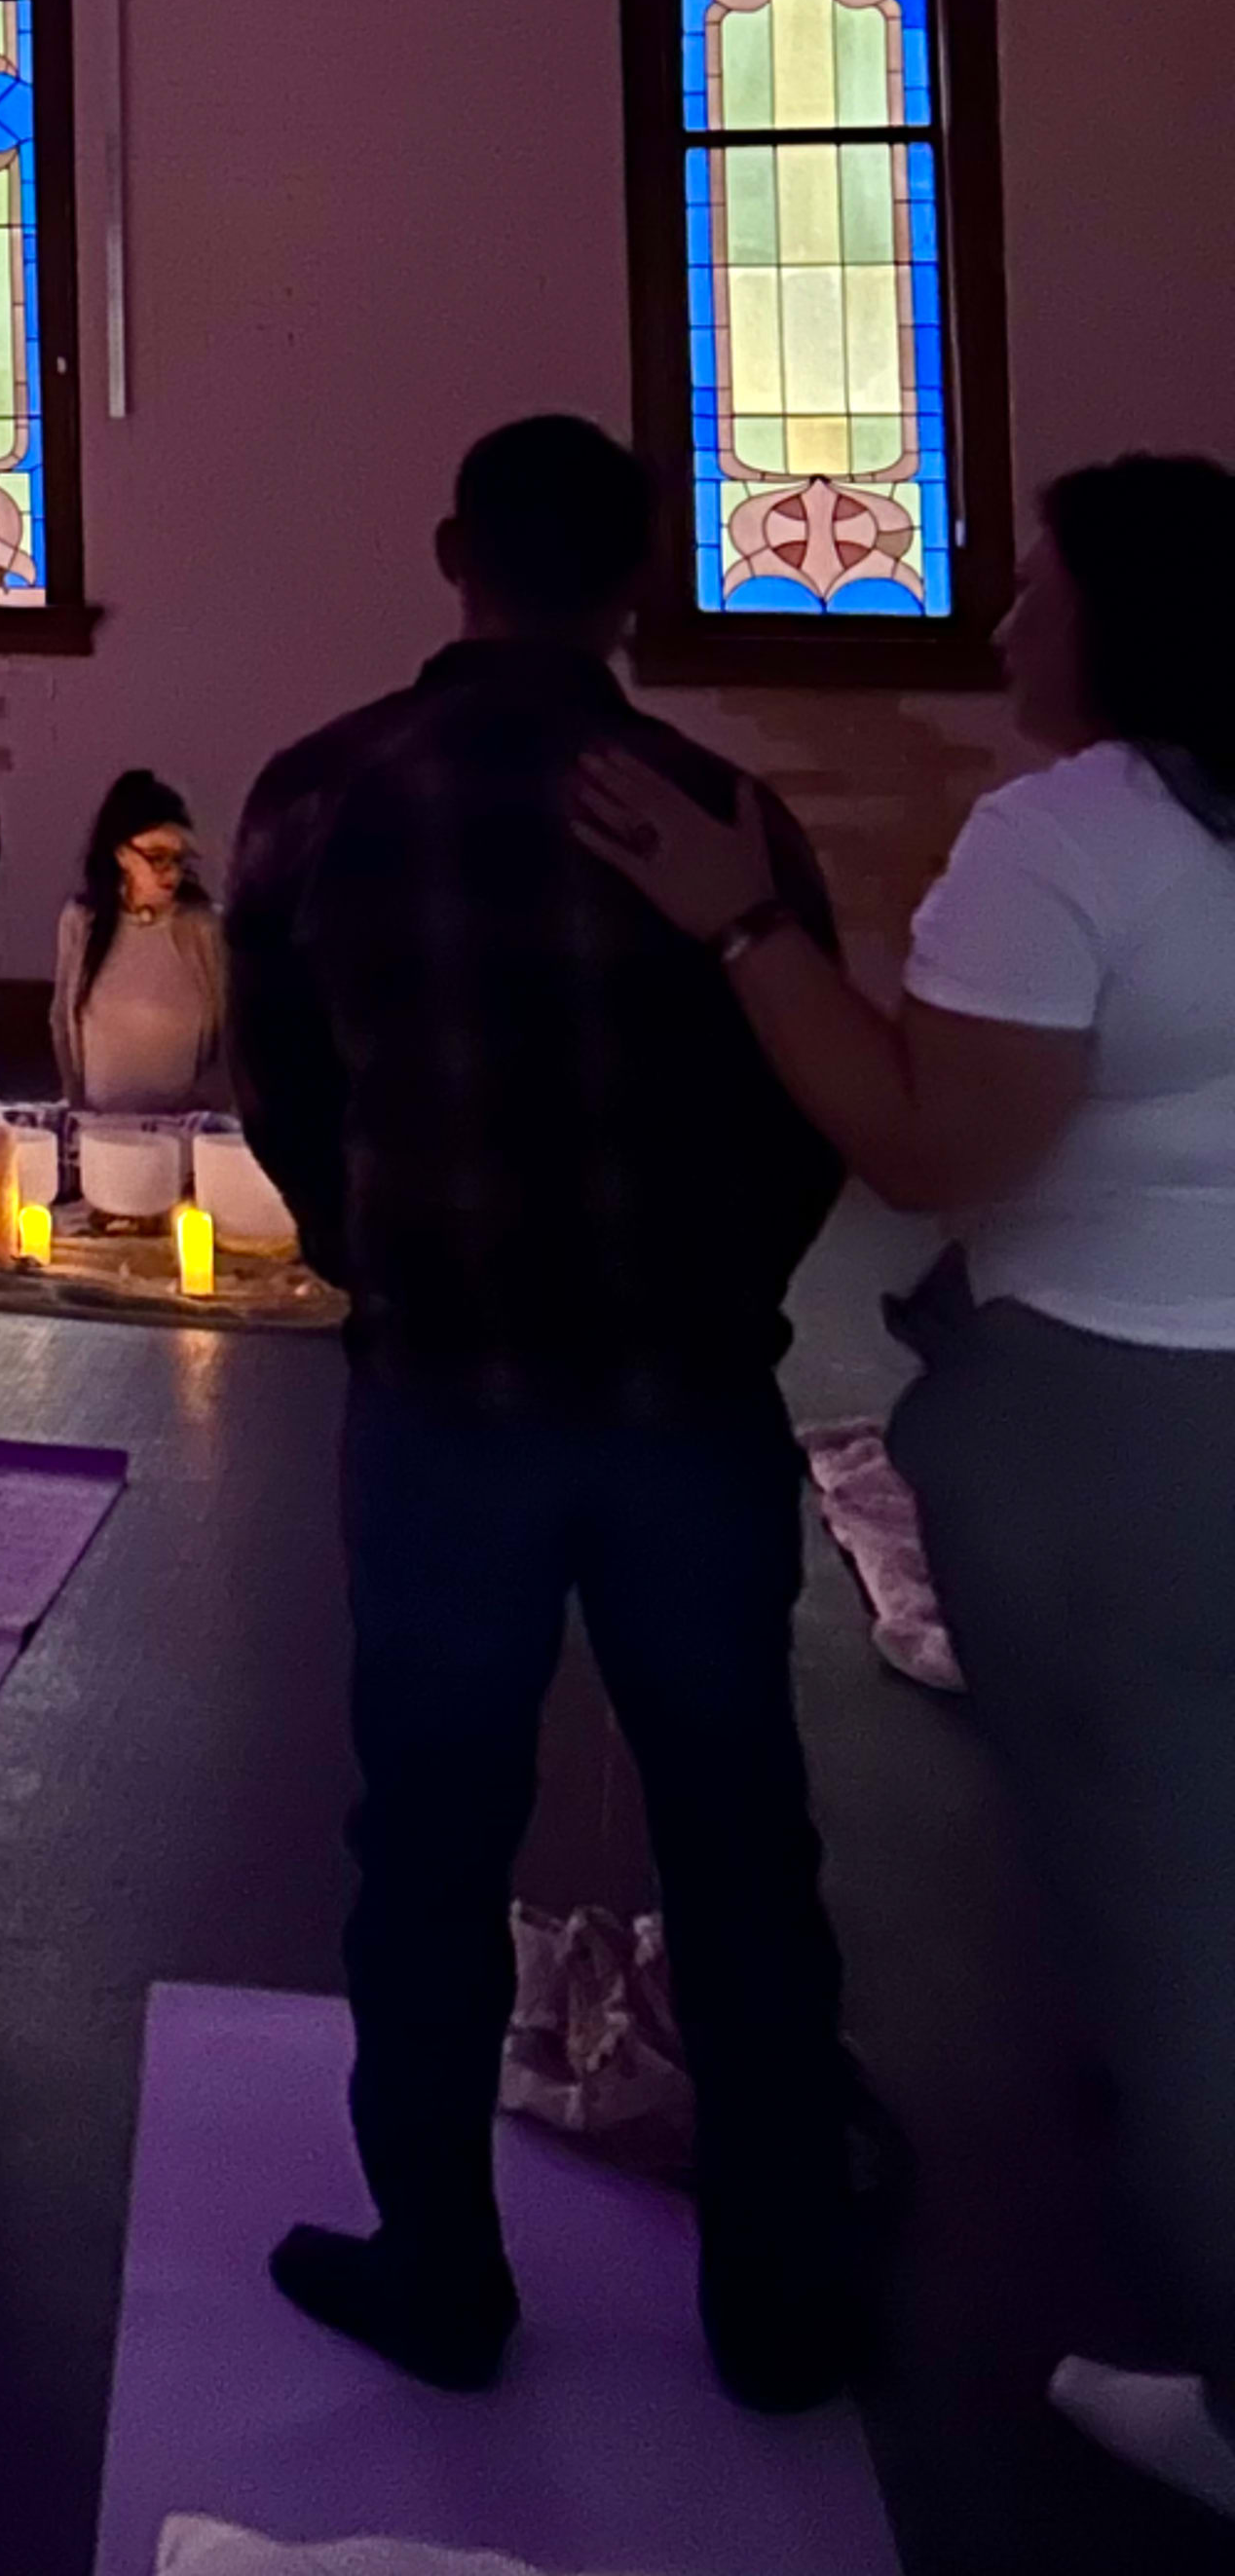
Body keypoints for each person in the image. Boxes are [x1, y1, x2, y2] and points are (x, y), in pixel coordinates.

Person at [580, 453, 1235, 2525]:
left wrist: (747, 921)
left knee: (1167, 1932)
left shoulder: (1072, 835)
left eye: (1033, 580)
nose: (1005, 611)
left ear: (1124, 619)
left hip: (1115, 1424)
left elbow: (931, 1141)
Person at [226, 413, 868, 2414]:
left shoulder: (324, 794)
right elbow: (809, 1098)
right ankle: (775, 2300)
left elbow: (284, 1092)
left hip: (449, 1397)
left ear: (450, 554)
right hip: (683, 1400)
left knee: (427, 1836)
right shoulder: (719, 803)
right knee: (741, 1840)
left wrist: (379, 1249)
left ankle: (439, 2264)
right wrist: (715, 1287)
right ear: (636, 580)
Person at [54, 769, 230, 1110]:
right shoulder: (83, 922)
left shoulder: (202, 928)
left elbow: (232, 1038)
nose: (172, 873)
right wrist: (77, 1104)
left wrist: (201, 1110)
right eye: (157, 857)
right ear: (122, 855)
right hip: (99, 1133)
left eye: (178, 859)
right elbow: (62, 1018)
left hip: (182, 1136)